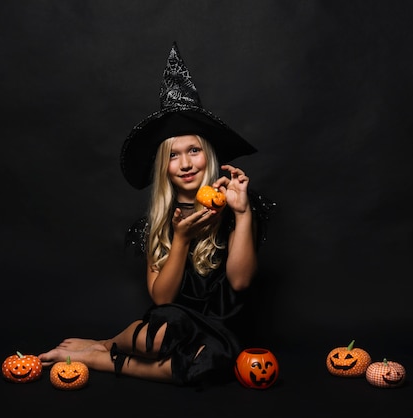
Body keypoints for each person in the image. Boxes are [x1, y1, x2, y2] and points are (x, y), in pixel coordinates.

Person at [38, 42, 274, 387]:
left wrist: (242, 215)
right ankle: (108, 344)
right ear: (164, 167)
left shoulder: (236, 204)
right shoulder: (157, 224)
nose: (186, 163)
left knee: (209, 365)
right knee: (163, 333)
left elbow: (240, 282)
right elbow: (161, 298)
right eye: (174, 155)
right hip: (173, 323)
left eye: (194, 150)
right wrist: (180, 238)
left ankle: (100, 357)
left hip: (223, 331)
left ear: (207, 156)